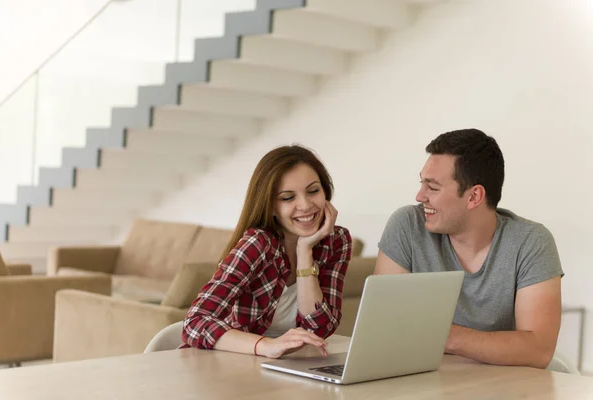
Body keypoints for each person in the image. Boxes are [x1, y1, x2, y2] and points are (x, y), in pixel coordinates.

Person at [374, 129, 563, 369]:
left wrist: (441, 334)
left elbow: (537, 350)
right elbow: (384, 328)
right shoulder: (407, 226)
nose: (420, 196)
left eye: (432, 188)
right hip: (420, 379)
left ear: (474, 197)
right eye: (422, 183)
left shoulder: (531, 242)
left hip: (502, 385)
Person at [181, 145, 352, 359]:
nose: (305, 205)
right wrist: (267, 345)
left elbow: (320, 329)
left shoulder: (336, 241)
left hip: (290, 365)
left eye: (313, 191)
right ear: (270, 206)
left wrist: (305, 250)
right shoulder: (258, 244)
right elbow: (195, 322)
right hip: (228, 363)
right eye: (288, 197)